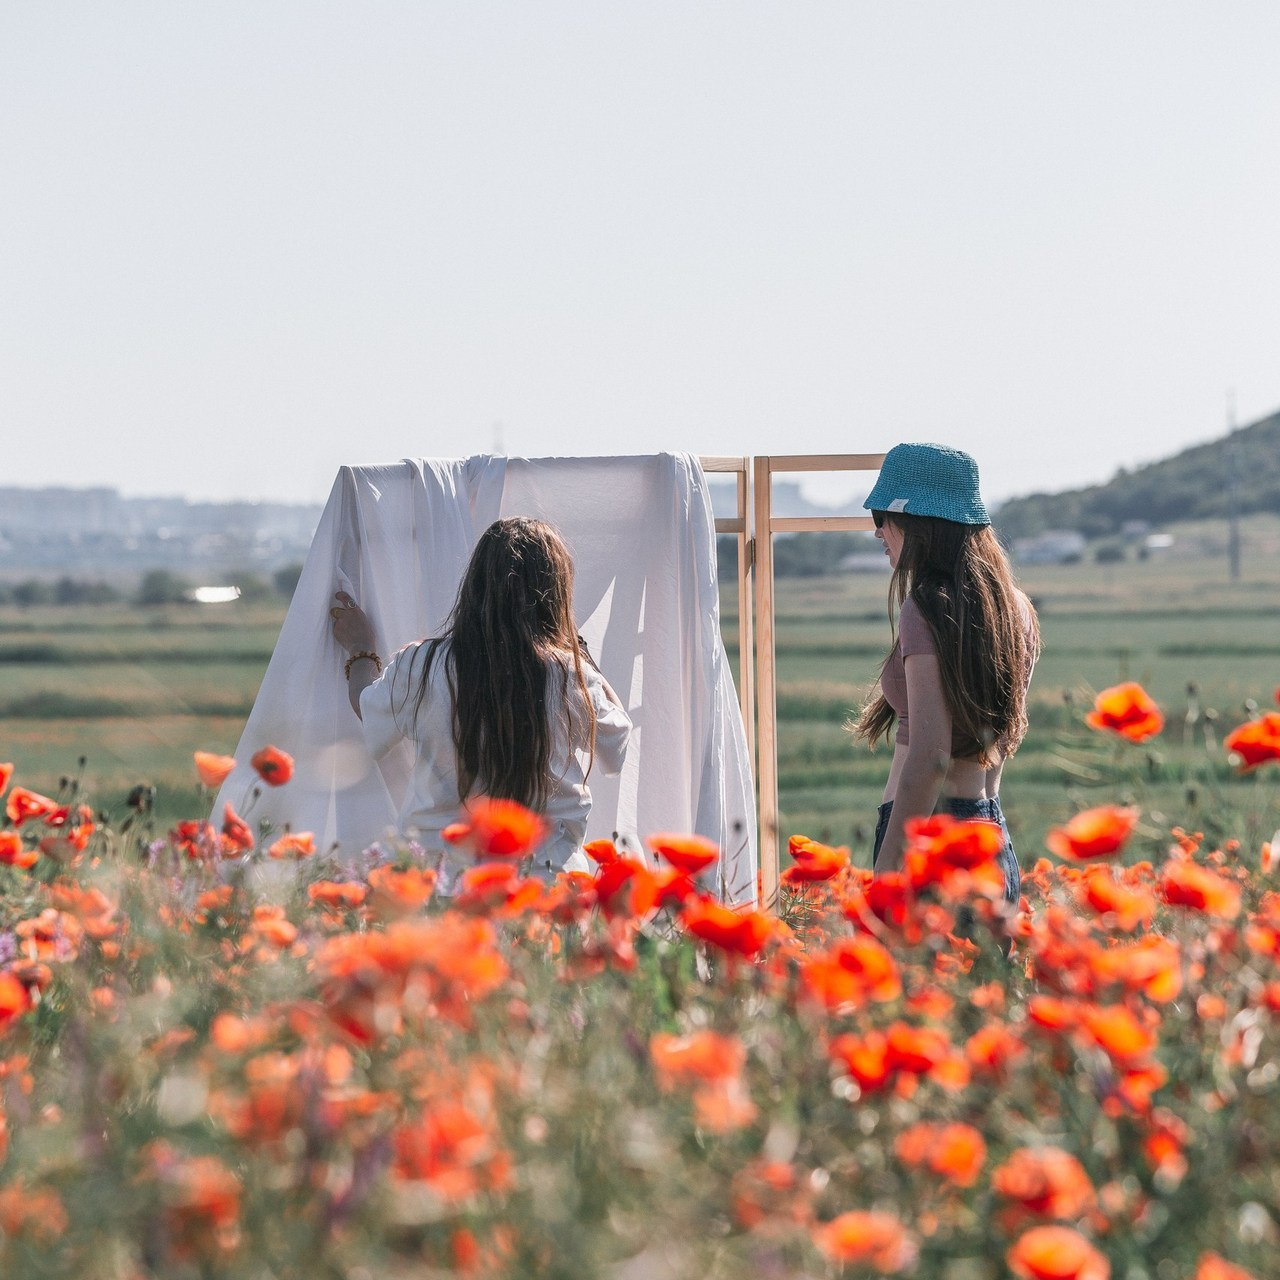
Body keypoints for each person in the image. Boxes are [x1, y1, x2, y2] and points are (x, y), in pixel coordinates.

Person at [330, 517, 632, 889]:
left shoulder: (423, 664)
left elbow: (367, 708)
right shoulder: (570, 676)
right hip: (545, 886)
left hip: (444, 884)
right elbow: (616, 747)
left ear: (474, 584)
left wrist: (360, 648)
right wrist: (577, 651)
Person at [852, 443, 1039, 903]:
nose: (878, 531)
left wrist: (887, 874)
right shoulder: (1015, 609)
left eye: (883, 516)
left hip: (928, 840)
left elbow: (929, 756)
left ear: (919, 522)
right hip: (991, 833)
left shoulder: (927, 609)